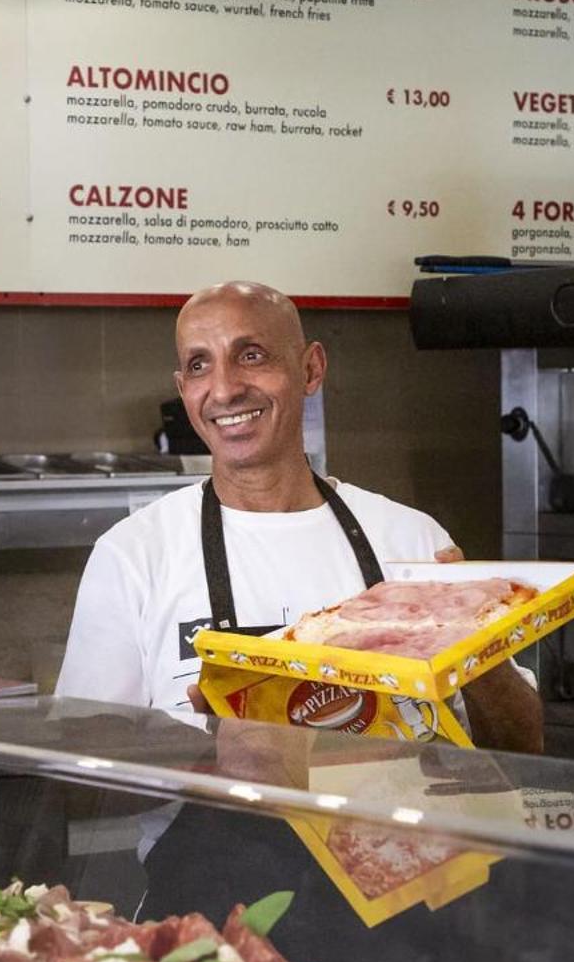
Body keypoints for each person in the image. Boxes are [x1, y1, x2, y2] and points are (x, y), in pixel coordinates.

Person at [56, 280, 543, 752]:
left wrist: (477, 648)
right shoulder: (134, 555)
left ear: (310, 370)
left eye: (251, 355)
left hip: (391, 832)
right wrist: (209, 755)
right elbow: (76, 781)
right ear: (184, 391)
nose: (224, 390)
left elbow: (522, 749)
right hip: (214, 835)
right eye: (200, 366)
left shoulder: (412, 543)